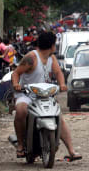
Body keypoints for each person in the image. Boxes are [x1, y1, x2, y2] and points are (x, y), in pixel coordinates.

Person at [11, 32, 82, 161]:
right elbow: (16, 73)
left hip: (44, 95)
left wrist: (62, 84)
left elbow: (58, 72)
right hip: (27, 94)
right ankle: (20, 145)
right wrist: (16, 84)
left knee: (58, 117)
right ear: (51, 45)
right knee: (21, 111)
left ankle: (71, 150)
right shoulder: (31, 57)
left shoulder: (52, 58)